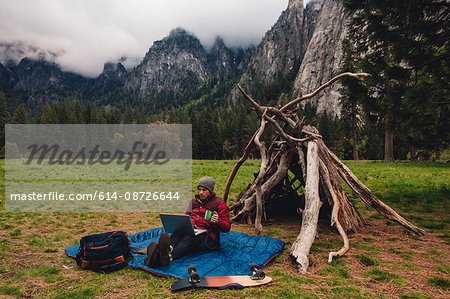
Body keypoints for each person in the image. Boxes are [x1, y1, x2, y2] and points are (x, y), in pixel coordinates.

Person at [144, 176, 231, 267]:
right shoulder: (193, 202)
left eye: (204, 190)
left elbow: (227, 227)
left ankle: (168, 257)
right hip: (192, 229)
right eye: (199, 189)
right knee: (178, 232)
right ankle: (166, 250)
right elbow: (187, 216)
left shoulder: (219, 204)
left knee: (190, 237)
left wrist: (218, 221)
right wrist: (182, 224)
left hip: (208, 238)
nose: (201, 192)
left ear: (210, 190)